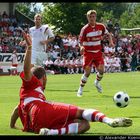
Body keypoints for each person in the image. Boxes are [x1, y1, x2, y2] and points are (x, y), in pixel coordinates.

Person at [9, 31, 132, 135]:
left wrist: (12, 125)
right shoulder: (33, 83)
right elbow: (26, 70)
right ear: (44, 78)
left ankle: (51, 133)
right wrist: (29, 47)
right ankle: (109, 121)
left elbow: (16, 110)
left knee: (84, 125)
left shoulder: (27, 94)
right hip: (41, 110)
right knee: (81, 112)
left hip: (35, 126)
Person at [77, 10, 115, 97]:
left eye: (93, 16)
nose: (92, 18)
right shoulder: (85, 29)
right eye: (90, 17)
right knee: (87, 72)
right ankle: (80, 89)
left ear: (95, 17)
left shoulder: (101, 26)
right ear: (87, 18)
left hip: (98, 52)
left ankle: (97, 83)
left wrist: (111, 42)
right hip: (88, 53)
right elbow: (80, 41)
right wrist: (81, 47)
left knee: (101, 70)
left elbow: (108, 34)